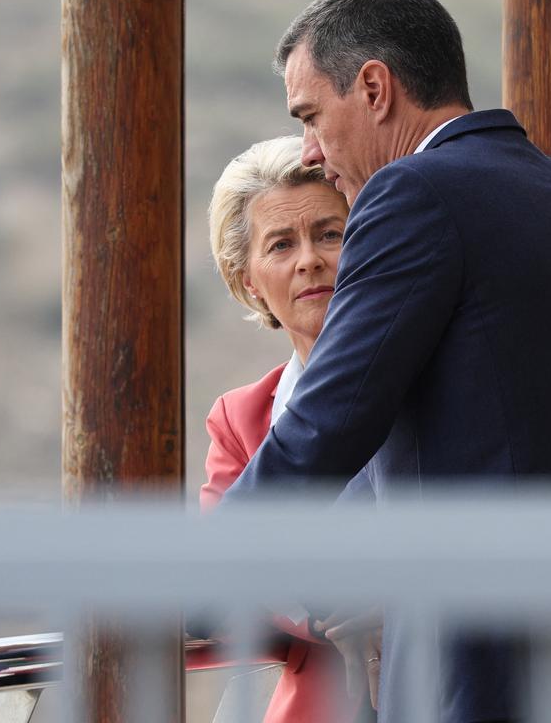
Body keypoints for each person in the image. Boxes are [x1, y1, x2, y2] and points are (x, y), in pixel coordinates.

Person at [219, 0, 551, 722]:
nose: (312, 152)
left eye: (312, 117)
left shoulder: (410, 195)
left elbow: (330, 420)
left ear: (375, 88)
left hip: (490, 675)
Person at [203, 135, 372, 722]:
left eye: (330, 233)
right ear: (249, 280)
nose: (310, 260)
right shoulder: (240, 417)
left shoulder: (439, 377)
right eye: (281, 244)